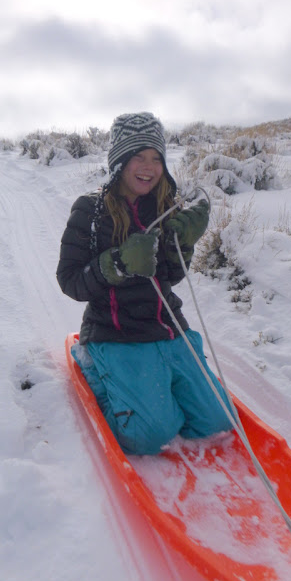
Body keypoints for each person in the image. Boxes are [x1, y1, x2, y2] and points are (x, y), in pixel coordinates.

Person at [57, 112, 235, 455]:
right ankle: (94, 366)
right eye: (138, 156)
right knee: (148, 435)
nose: (148, 167)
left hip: (168, 328)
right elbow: (70, 280)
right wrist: (119, 263)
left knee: (219, 419)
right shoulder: (90, 210)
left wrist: (184, 244)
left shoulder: (166, 206)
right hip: (116, 334)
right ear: (119, 160)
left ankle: (158, 391)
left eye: (156, 158)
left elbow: (171, 277)